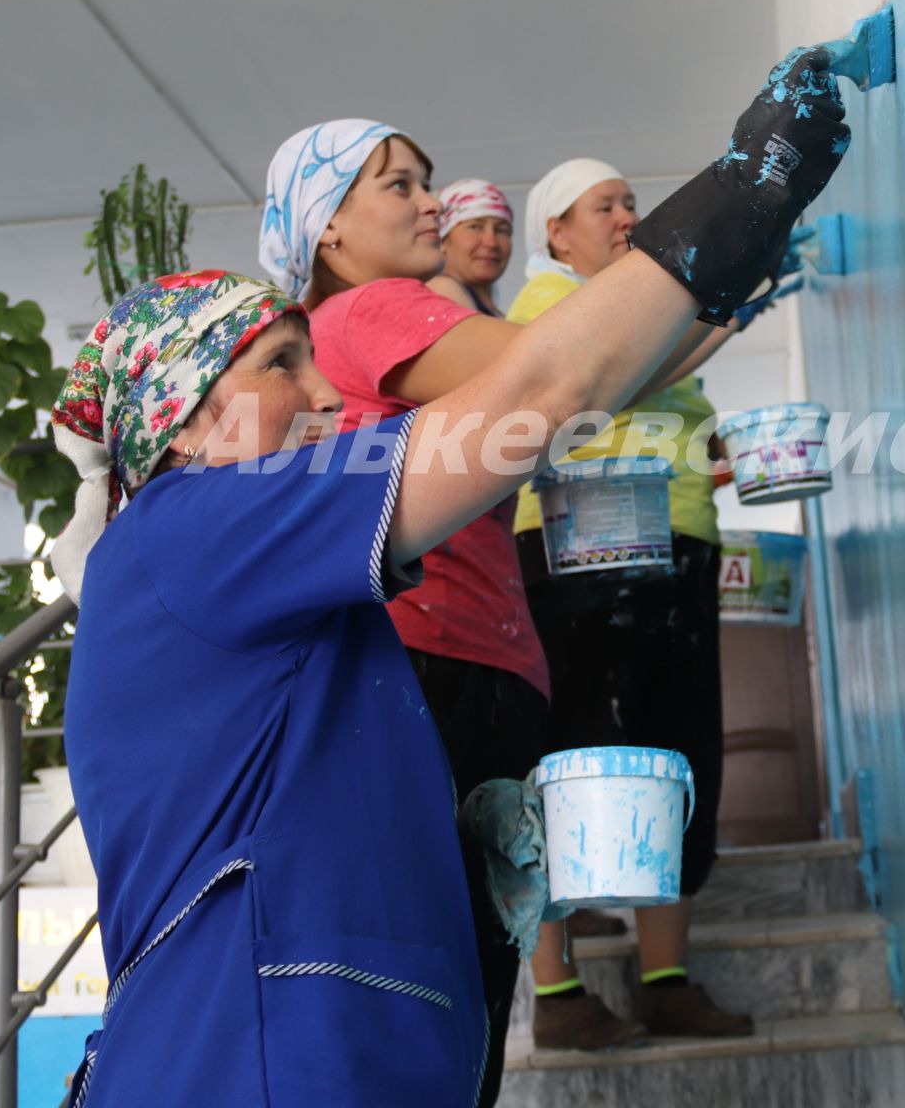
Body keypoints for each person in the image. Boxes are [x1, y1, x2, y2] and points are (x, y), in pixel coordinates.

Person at [53, 45, 850, 1105]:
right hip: (251, 1065)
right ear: (184, 422)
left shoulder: (275, 590)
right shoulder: (188, 524)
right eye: (280, 365)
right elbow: (549, 379)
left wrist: (438, 843)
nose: (327, 394)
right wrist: (752, 182)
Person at [259, 123, 718, 1092]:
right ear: (328, 229)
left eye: (427, 181)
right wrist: (720, 241)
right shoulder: (375, 308)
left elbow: (597, 375)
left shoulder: (393, 316)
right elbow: (565, 371)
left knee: (462, 959)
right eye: (399, 185)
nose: (432, 201)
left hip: (475, 661)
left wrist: (715, 306)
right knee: (451, 963)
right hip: (435, 663)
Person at [509, 156, 787, 1047]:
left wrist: (717, 456)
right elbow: (626, 375)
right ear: (555, 230)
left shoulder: (655, 313)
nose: (627, 215)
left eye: (633, 202)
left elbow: (675, 403)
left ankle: (665, 977)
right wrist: (729, 310)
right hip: (580, 546)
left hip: (674, 542)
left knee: (675, 748)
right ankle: (555, 995)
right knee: (574, 754)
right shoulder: (543, 306)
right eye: (606, 205)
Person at [432, 179, 515, 316]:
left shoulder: (492, 313)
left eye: (501, 230)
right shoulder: (441, 291)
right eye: (475, 227)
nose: (491, 242)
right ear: (443, 240)